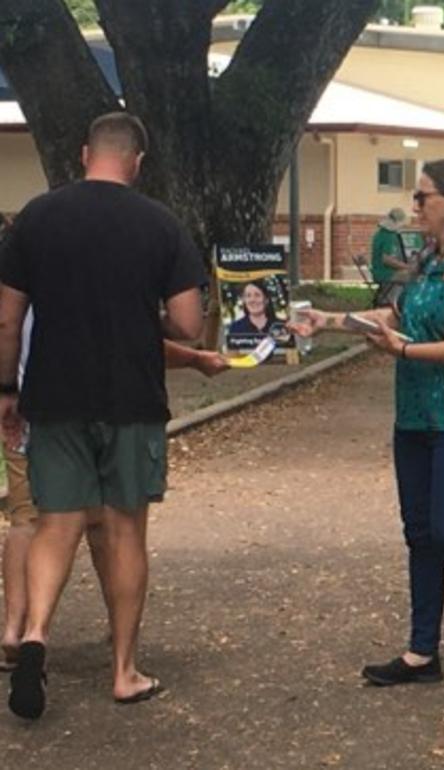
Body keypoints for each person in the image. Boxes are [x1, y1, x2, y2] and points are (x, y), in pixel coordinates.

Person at [0, 111, 207, 719]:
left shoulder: (36, 218)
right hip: (130, 400)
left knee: (54, 523)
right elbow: (190, 323)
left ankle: (35, 632)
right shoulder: (161, 224)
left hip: (53, 396)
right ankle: (124, 671)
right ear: (137, 162)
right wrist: (145, 314)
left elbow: (7, 319)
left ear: (85, 152)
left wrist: (5, 390)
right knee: (123, 529)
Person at [291, 159, 444, 688]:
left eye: (423, 197)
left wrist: (408, 349)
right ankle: (422, 651)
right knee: (419, 533)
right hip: (414, 414)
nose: (415, 205)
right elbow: (396, 318)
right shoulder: (423, 260)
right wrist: (329, 322)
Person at [370, 207, 415, 286]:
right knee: (415, 276)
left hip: (377, 273)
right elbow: (387, 259)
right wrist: (406, 267)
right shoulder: (389, 235)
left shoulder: (379, 233)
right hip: (386, 274)